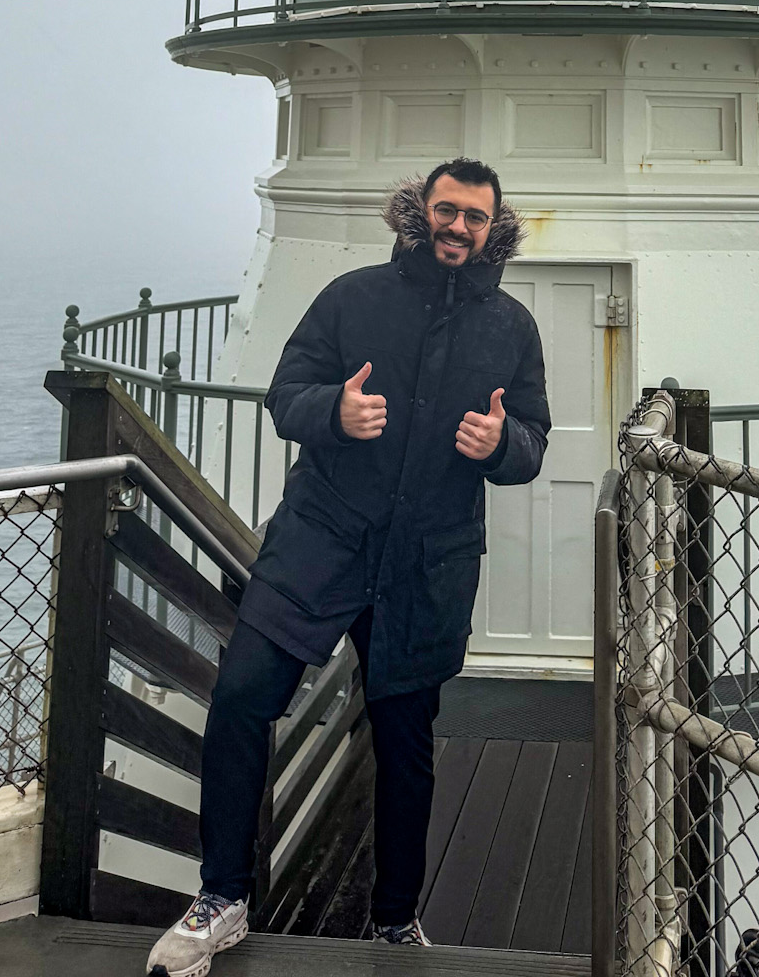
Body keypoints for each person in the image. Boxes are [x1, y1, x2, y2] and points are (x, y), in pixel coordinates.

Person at [148, 158, 550, 976]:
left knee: (406, 745)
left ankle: (394, 922)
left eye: (475, 216)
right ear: (420, 212)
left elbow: (534, 441)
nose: (458, 226)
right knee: (240, 698)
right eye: (447, 210)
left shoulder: (511, 327)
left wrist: (500, 445)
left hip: (425, 565)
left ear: (493, 227)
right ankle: (221, 897)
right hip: (321, 543)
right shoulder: (350, 297)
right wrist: (332, 410)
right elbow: (284, 393)